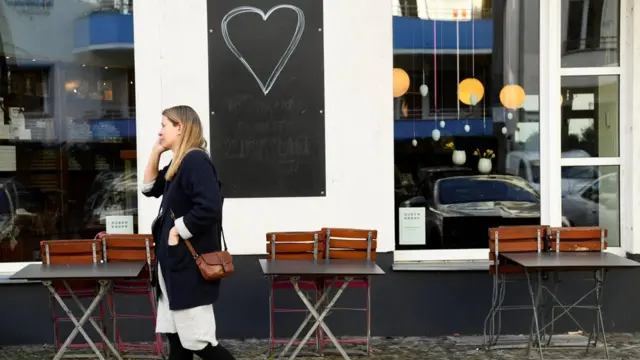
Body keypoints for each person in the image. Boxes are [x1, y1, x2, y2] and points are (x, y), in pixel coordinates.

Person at [141, 105, 235, 360]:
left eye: (164, 125)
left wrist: (177, 231)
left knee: (199, 343)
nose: (160, 131)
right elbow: (149, 188)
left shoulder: (195, 161)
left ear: (179, 127)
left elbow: (210, 207)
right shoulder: (180, 162)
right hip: (173, 267)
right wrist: (156, 151)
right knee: (179, 343)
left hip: (187, 268)